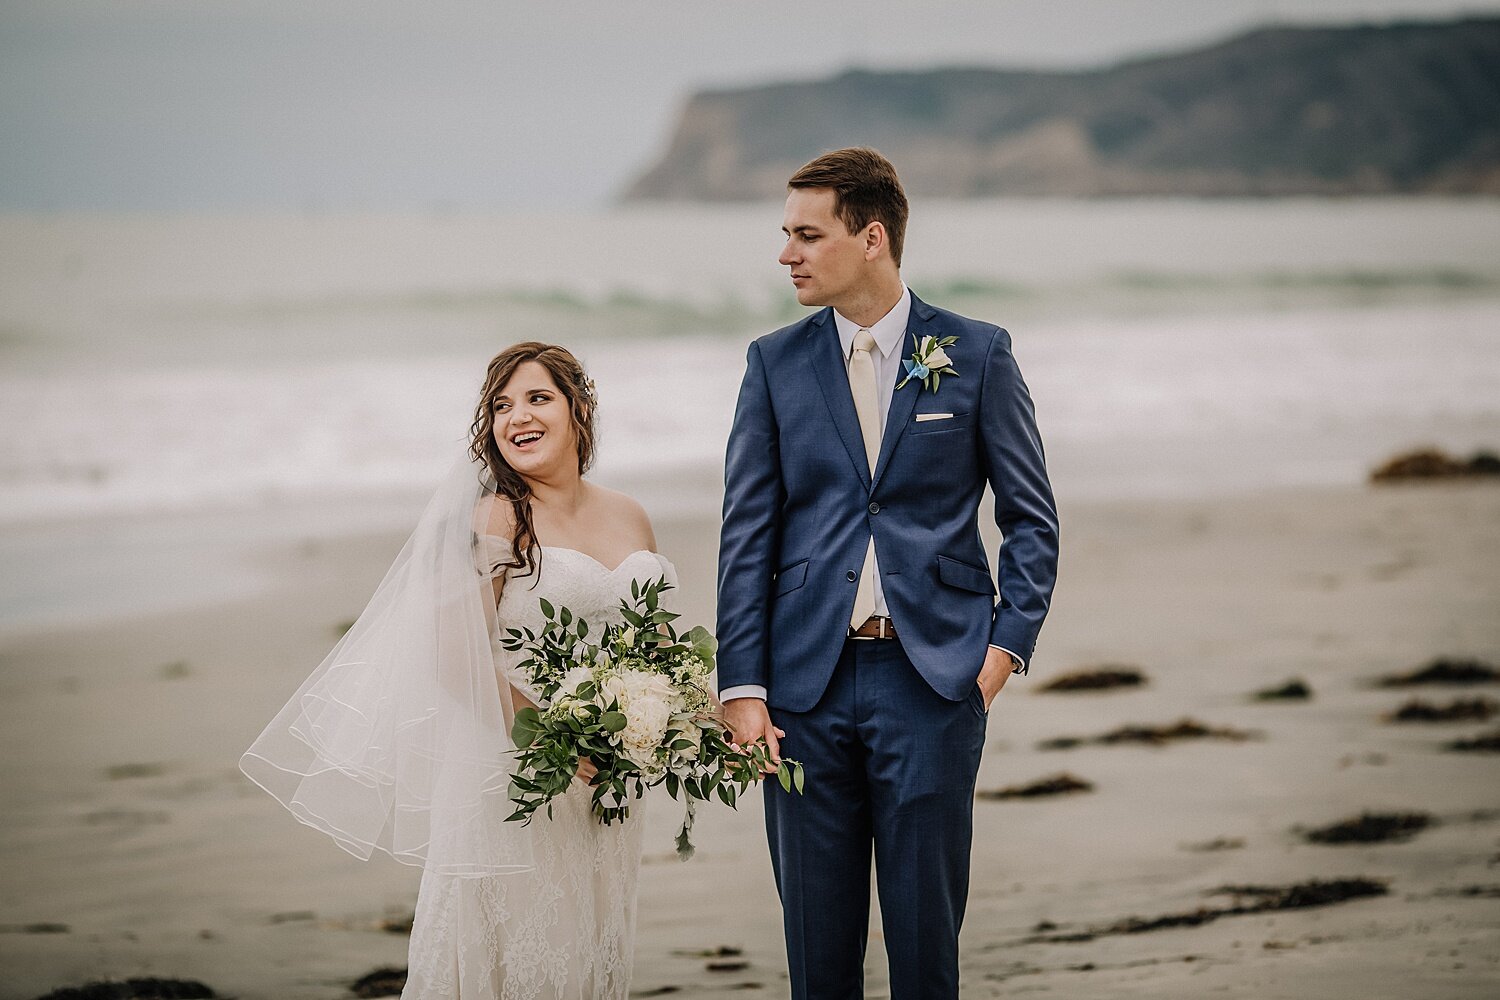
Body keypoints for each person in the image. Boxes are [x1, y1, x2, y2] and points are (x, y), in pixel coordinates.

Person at [717, 148, 1059, 1000]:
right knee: (818, 955)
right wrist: (743, 686)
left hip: (934, 683)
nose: (787, 254)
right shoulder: (773, 364)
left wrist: (999, 657)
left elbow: (1031, 519)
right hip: (804, 689)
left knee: (924, 947)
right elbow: (746, 536)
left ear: (872, 237)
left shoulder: (976, 354)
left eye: (807, 234)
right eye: (785, 235)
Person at [241, 342, 671, 999]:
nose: (516, 416)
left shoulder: (630, 515)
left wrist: (671, 719)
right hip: (516, 769)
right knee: (515, 948)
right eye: (500, 405)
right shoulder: (499, 515)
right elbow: (450, 651)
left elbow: (655, 644)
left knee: (591, 936)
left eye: (537, 398)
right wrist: (558, 744)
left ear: (579, 408)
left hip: (610, 778)